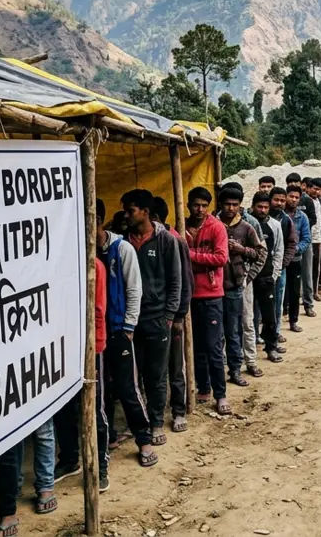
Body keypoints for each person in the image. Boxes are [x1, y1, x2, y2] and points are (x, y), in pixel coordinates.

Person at [122, 189, 183, 449]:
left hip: (158, 318)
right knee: (134, 375)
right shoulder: (123, 241)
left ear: (145, 212)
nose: (126, 215)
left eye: (131, 210)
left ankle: (156, 421)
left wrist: (169, 316)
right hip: (130, 320)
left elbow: (176, 280)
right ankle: (140, 421)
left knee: (156, 375)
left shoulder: (166, 241)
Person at [97, 201, 154, 466]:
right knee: (101, 390)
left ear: (97, 219)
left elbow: (134, 289)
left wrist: (129, 327)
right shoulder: (86, 251)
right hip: (96, 332)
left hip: (119, 329)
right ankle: (108, 438)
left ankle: (144, 440)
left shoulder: (122, 249)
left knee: (127, 388)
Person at [54, 255, 110, 489]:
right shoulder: (57, 261)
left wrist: (95, 345)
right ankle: (70, 458)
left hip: (89, 346)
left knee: (95, 408)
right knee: (63, 408)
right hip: (61, 345)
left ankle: (101, 465)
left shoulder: (93, 264)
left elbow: (97, 311)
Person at [184, 187, 233, 416]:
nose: (200, 209)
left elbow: (221, 258)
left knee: (214, 347)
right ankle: (203, 387)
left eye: (204, 205)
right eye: (196, 205)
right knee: (196, 346)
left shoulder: (216, 227)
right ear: (188, 205)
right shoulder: (182, 228)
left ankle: (220, 394)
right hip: (189, 295)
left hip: (212, 295)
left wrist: (191, 256)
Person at [150, 196, 193, 433]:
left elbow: (185, 282)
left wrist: (178, 317)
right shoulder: (143, 242)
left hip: (171, 316)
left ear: (154, 218)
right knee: (155, 369)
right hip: (153, 316)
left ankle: (178, 410)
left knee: (175, 366)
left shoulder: (175, 242)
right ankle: (155, 413)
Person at [217, 186, 267, 384]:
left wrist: (242, 252)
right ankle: (220, 366)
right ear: (221, 204)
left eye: (235, 205)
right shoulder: (213, 225)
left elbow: (260, 254)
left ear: (240, 206)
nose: (231, 208)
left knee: (239, 327)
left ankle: (239, 367)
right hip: (214, 287)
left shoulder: (247, 227)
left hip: (238, 285)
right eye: (227, 204)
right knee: (218, 331)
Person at [252, 192, 285, 363]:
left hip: (267, 275)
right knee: (248, 317)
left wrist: (275, 274)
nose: (263, 210)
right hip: (249, 278)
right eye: (259, 207)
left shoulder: (275, 225)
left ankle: (270, 347)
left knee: (269, 315)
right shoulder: (247, 224)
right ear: (253, 207)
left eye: (265, 207)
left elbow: (278, 250)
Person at [269, 187, 298, 345]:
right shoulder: (260, 218)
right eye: (276, 200)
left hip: (280, 269)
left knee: (278, 303)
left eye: (282, 200)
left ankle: (276, 332)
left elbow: (292, 243)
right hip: (261, 270)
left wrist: (282, 263)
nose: (279, 203)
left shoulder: (286, 220)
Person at [281, 186, 310, 333]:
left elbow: (306, 239)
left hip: (295, 259)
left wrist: (294, 250)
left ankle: (293, 321)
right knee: (280, 291)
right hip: (278, 260)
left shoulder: (302, 217)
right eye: (291, 196)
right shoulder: (278, 216)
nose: (293, 200)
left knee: (293, 291)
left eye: (296, 197)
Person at [290, 175, 318, 315]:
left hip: (303, 244)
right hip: (287, 248)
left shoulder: (307, 201)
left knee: (307, 274)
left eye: (296, 182)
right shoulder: (283, 207)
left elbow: (313, 219)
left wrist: (299, 245)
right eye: (290, 183)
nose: (294, 199)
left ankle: (308, 304)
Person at [307, 179, 321, 305]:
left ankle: (314, 292)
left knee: (316, 267)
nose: (316, 191)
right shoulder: (304, 200)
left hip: (317, 238)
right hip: (306, 238)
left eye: (318, 189)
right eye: (314, 188)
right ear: (308, 188)